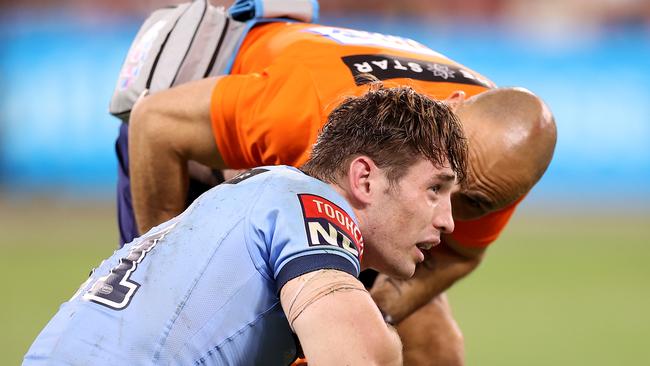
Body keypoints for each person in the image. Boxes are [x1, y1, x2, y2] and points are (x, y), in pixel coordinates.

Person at [124, 20, 557, 365]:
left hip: (339, 191)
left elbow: (458, 255)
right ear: (452, 108)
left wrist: (368, 318)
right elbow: (154, 124)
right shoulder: (308, 106)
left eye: (471, 202)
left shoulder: (501, 160)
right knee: (216, 335)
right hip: (205, 154)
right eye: (443, 184)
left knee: (432, 348)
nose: (450, 214)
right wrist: (169, 279)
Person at [24, 85, 467, 365]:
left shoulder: (244, 198)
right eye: (435, 189)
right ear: (364, 178)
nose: (448, 220)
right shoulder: (315, 207)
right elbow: (361, 355)